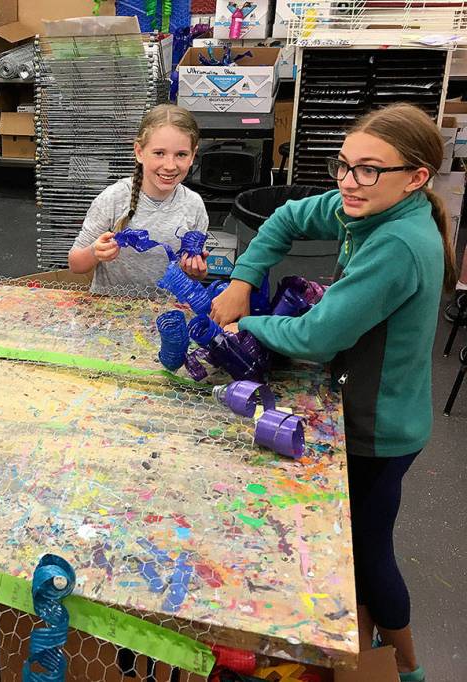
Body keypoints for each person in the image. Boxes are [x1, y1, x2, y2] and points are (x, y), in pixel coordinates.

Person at [211, 103, 456, 682]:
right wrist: (245, 278)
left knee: (370, 556)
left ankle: (406, 669)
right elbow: (287, 217)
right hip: (368, 405)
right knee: (361, 549)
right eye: (342, 166)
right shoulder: (364, 208)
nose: (348, 181)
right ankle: (366, 647)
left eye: (368, 169)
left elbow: (320, 336)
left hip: (380, 427)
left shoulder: (398, 244)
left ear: (416, 177)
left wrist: (241, 324)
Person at [68, 104, 210, 293]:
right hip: (111, 309)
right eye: (159, 153)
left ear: (192, 156)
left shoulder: (194, 205)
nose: (170, 165)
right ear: (139, 152)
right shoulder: (113, 199)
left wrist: (196, 270)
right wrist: (95, 251)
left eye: (181, 155)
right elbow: (76, 264)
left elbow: (197, 275)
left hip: (167, 309)